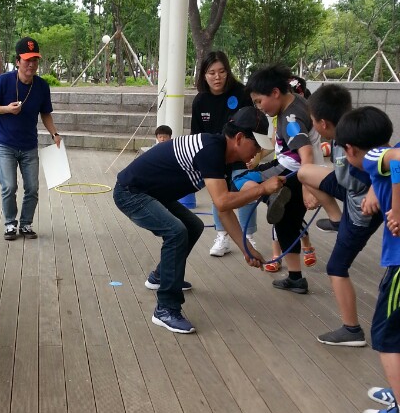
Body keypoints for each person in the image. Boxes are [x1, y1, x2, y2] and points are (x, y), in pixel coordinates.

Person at [113, 106, 285, 334]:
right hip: (131, 193)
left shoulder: (222, 156)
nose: (259, 151)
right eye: (256, 145)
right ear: (239, 138)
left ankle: (161, 276)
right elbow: (222, 202)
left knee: (193, 226)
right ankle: (165, 309)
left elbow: (223, 209)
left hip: (153, 194)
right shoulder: (211, 150)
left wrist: (246, 248)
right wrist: (262, 189)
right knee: (176, 232)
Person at [330, 107, 400, 413]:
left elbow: (396, 162)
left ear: (350, 150)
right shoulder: (385, 153)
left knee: (386, 336)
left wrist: (396, 208)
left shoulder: (372, 158)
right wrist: (378, 189)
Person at [298, 84, 382, 346]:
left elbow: (394, 159)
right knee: (304, 173)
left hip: (361, 213)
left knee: (336, 267)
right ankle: (335, 219)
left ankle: (352, 330)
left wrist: (376, 188)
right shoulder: (341, 133)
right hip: (349, 189)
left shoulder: (357, 139)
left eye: (313, 121)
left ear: (323, 123)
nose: (312, 126)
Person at [246, 64, 321, 294]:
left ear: (275, 93)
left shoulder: (290, 119)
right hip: (294, 170)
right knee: (287, 224)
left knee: (242, 180)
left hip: (292, 171)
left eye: (259, 101)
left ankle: (273, 196)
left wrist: (308, 188)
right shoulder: (297, 101)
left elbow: (306, 154)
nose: (259, 107)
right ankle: (296, 278)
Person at [0, 36, 61, 240]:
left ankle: (26, 224)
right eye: (27, 60)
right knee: (9, 186)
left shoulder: (42, 86)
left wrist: (54, 134)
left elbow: (45, 113)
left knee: (33, 188)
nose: (31, 64)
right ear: (17, 61)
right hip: (6, 144)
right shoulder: (3, 81)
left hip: (29, 146)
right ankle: (10, 223)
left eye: (35, 60)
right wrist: (7, 109)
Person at [190, 51, 257, 257]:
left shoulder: (241, 93)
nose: (217, 77)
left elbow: (253, 125)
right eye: (211, 73)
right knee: (218, 195)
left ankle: (247, 235)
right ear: (204, 75)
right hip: (215, 155)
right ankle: (222, 236)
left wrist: (256, 154)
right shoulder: (200, 101)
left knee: (246, 189)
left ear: (228, 72)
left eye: (221, 71)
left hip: (240, 152)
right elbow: (196, 135)